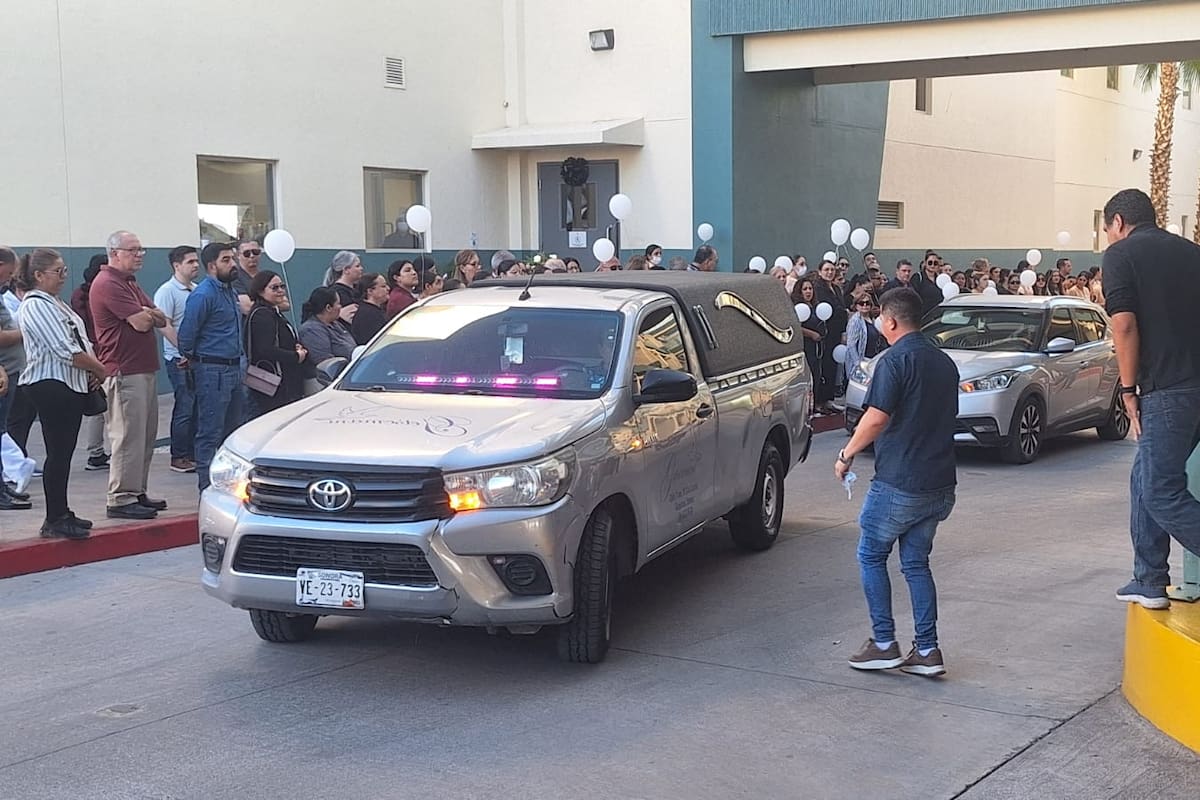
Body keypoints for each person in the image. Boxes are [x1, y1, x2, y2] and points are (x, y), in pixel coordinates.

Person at [835, 288, 958, 676]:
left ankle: (884, 642)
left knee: (871, 554)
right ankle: (927, 650)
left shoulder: (893, 361)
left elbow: (875, 417)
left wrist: (846, 453)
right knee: (916, 563)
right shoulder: (943, 362)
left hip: (900, 482)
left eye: (880, 318)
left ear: (890, 321)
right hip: (939, 483)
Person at [1101, 188, 1200, 609]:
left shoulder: (1121, 256)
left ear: (1119, 222)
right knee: (1144, 479)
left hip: (1168, 388)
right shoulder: (1192, 253)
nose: (1107, 236)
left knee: (1160, 489)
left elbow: (1123, 325)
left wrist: (1127, 390)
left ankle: (1150, 578)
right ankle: (1150, 579)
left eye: (1106, 229)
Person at [16, 249, 108, 537]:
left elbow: (78, 339)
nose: (63, 277)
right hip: (51, 384)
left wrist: (91, 370)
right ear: (38, 275)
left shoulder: (54, 303)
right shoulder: (34, 305)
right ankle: (55, 518)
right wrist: (99, 369)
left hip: (70, 382)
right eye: (58, 272)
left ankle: (62, 511)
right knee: (57, 453)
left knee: (64, 453)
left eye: (64, 270)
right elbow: (64, 349)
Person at [90, 230, 168, 520]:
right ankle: (120, 497)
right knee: (127, 436)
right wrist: (147, 313)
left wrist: (148, 312)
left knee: (144, 435)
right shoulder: (109, 283)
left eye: (141, 249)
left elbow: (160, 317)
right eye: (133, 250)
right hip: (124, 370)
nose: (140, 254)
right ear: (115, 253)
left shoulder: (128, 282)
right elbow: (141, 323)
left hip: (142, 368)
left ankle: (136, 490)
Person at [178, 242, 245, 492]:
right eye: (226, 260)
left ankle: (230, 485)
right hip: (212, 371)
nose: (233, 264)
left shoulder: (230, 292)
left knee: (234, 432)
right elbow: (186, 336)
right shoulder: (204, 295)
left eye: (232, 259)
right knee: (209, 432)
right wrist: (198, 361)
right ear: (211, 266)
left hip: (234, 368)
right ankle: (206, 489)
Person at [153, 245, 200, 474]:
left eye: (196, 261)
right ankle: (179, 455)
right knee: (185, 406)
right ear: (177, 265)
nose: (195, 265)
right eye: (190, 262)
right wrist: (184, 351)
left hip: (197, 359)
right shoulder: (167, 291)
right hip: (179, 360)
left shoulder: (197, 289)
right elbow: (164, 325)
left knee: (197, 407)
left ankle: (192, 453)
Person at [244, 270, 307, 419]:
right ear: (260, 290)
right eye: (274, 288)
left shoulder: (272, 311)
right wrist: (295, 356)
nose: (280, 291)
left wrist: (295, 346)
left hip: (282, 380)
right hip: (271, 383)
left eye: (282, 286)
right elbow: (265, 349)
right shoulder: (262, 314)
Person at [70, 255, 110, 471]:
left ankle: (96, 452)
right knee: (101, 403)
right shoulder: (89, 294)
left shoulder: (83, 292)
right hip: (95, 352)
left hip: (95, 350)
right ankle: (95, 453)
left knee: (101, 403)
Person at [0, 254, 28, 510]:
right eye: (10, 272)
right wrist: (25, 331)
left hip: (10, 370)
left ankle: (2, 486)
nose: (11, 278)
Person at [299, 287, 356, 365]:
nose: (341, 306)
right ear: (328, 307)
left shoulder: (336, 324)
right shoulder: (311, 330)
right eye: (338, 303)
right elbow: (325, 361)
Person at [323, 250, 363, 327]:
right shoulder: (337, 292)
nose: (361, 268)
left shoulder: (357, 289)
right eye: (357, 266)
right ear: (346, 270)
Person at [351, 272, 390, 345]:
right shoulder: (368, 315)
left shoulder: (374, 311)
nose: (388, 288)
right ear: (370, 291)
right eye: (383, 286)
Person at [232, 238, 263, 315]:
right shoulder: (235, 278)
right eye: (247, 253)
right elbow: (247, 308)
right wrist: (272, 303)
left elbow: (284, 304)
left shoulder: (265, 277)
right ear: (238, 255)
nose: (252, 256)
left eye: (255, 252)